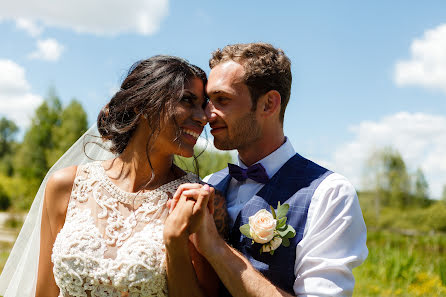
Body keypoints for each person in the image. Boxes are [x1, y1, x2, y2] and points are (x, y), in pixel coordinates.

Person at [0, 55, 227, 297]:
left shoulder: (200, 201)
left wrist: (175, 243)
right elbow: (44, 292)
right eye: (187, 101)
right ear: (143, 104)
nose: (203, 117)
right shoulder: (65, 185)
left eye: (202, 105)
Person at [170, 43, 368, 297]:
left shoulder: (330, 194)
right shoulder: (208, 183)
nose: (208, 114)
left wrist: (217, 249)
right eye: (209, 101)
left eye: (222, 100)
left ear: (268, 104)